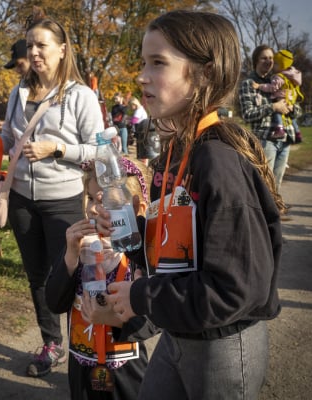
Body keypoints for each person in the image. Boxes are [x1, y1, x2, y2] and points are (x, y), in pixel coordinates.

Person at [95, 10, 284, 400]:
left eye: (159, 63)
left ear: (204, 74)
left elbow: (235, 289)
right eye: (144, 62)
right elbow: (188, 245)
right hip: (179, 333)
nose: (142, 76)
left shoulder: (217, 160)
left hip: (223, 347)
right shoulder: (177, 150)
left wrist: (140, 298)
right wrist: (132, 226)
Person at [0, 6, 104, 378]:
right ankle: (52, 344)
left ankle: (84, 342)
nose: (33, 52)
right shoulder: (18, 93)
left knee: (70, 274)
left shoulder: (80, 96)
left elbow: (99, 150)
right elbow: (14, 140)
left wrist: (57, 149)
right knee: (37, 278)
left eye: (41, 45)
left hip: (63, 198)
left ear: (62, 49)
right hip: (21, 200)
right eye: (30, 45)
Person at [46, 158, 157, 400]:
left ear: (134, 205)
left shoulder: (141, 255)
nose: (94, 209)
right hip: (81, 368)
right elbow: (54, 303)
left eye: (104, 200)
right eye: (90, 198)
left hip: (127, 372)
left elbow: (155, 317)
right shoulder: (79, 246)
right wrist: (70, 256)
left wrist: (115, 320)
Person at [239, 45, 301, 195]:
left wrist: (291, 107)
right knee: (264, 185)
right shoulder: (249, 84)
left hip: (285, 139)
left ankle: (274, 215)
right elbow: (247, 114)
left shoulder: (280, 79)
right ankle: (263, 217)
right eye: (264, 58)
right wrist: (274, 107)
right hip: (265, 140)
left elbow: (298, 110)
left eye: (271, 58)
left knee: (276, 184)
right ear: (256, 61)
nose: (269, 61)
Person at [252, 49, 304, 143]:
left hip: (281, 98)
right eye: (264, 58)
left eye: (274, 61)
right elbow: (248, 114)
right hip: (290, 99)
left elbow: (272, 88)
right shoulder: (293, 75)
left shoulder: (278, 77)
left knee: (277, 112)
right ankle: (298, 132)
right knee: (291, 117)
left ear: (282, 65)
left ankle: (279, 129)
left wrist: (259, 86)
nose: (271, 62)